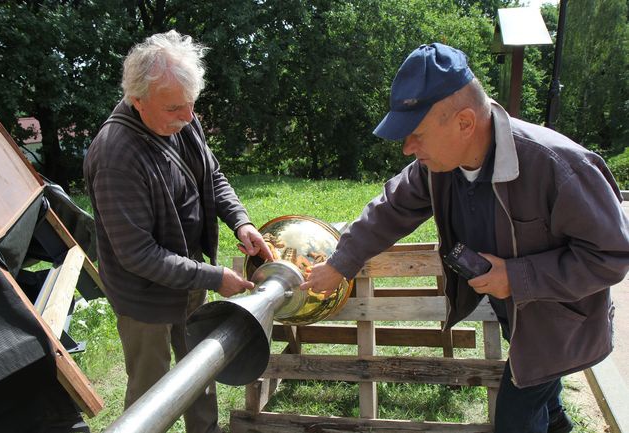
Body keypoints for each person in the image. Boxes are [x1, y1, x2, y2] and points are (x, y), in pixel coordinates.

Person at [301, 43, 629, 433]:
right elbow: (390, 209)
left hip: (558, 325)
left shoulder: (559, 166)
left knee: (516, 418)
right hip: (518, 319)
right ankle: (556, 424)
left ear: (465, 122)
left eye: (416, 134)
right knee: (543, 394)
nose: (407, 147)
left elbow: (611, 254)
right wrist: (341, 262)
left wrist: (517, 277)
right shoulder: (438, 166)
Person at [84, 30, 272, 433]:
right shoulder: (116, 154)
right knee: (153, 395)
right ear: (138, 101)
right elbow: (138, 255)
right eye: (175, 108)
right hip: (145, 299)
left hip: (191, 279)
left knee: (201, 373)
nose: (188, 118)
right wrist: (214, 277)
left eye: (191, 105)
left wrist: (241, 221)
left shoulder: (181, 114)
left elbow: (213, 175)